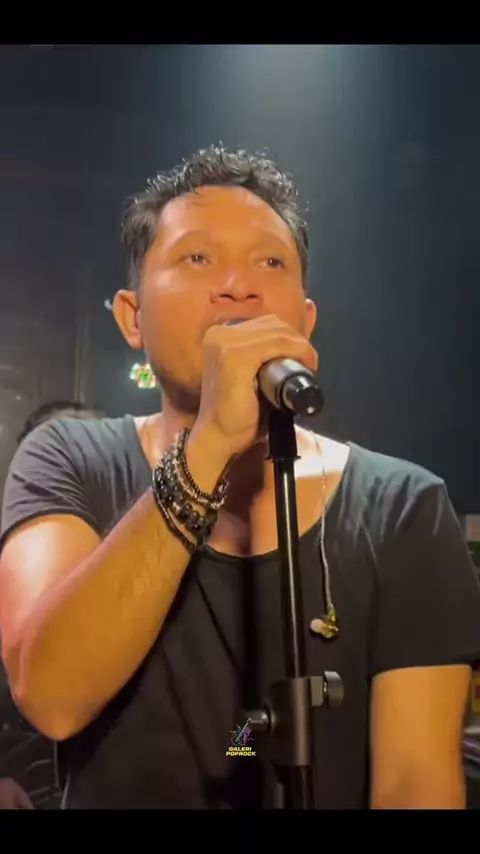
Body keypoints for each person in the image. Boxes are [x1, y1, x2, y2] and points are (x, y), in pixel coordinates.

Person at [0, 145, 479, 811]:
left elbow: (414, 783)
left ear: (305, 323)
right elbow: (51, 694)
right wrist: (210, 445)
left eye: (270, 262)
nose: (238, 286)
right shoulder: (69, 458)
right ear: (133, 317)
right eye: (197, 258)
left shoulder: (402, 506)